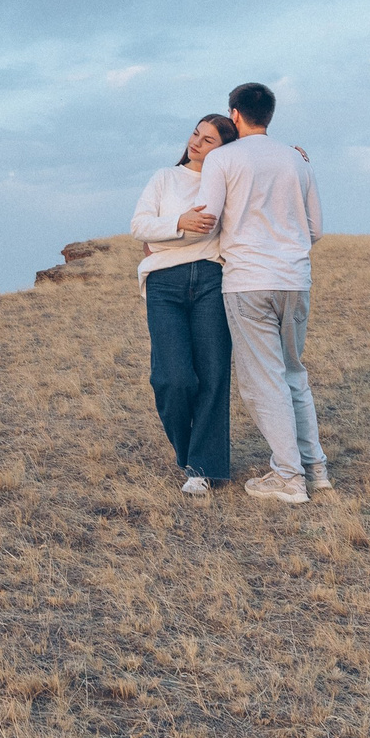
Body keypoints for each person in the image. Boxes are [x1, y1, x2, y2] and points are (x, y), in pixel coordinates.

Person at [191, 81, 327, 505]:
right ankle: (315, 469)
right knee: (293, 373)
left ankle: (288, 477)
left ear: (234, 114)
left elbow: (208, 219)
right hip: (295, 278)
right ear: (269, 115)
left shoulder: (223, 159)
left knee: (262, 381)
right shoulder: (297, 160)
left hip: (249, 279)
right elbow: (315, 229)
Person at [130, 115, 234, 494]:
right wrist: (180, 223)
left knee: (212, 374)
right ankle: (190, 452)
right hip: (163, 284)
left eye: (209, 140)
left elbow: (212, 227)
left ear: (225, 150)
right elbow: (138, 227)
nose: (197, 143)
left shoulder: (226, 183)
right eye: (196, 133)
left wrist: (165, 237)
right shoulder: (164, 178)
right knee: (171, 378)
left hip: (212, 279)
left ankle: (203, 469)